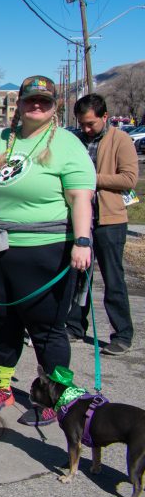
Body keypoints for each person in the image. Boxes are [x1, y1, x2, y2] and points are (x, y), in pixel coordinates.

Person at [0, 76, 94, 426]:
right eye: (29, 100)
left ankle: (54, 398)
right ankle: (2, 388)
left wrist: (82, 241)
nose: (36, 106)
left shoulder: (68, 145)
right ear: (19, 104)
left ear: (54, 105)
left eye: (44, 101)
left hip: (46, 251)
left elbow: (80, 197)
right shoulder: (3, 142)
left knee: (46, 329)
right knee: (3, 322)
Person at [65, 94, 139, 355]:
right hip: (79, 219)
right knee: (77, 275)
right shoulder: (74, 141)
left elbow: (129, 179)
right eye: (82, 124)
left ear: (105, 117)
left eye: (91, 124)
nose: (85, 129)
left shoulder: (121, 140)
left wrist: (90, 178)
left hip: (110, 220)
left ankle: (122, 334)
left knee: (113, 277)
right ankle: (74, 326)